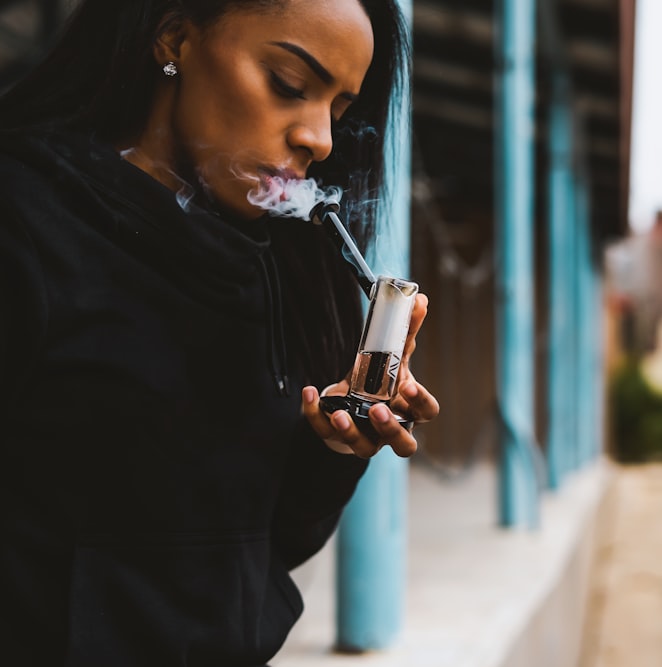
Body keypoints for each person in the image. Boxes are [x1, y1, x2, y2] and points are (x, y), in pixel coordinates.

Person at [0, 0, 438, 664]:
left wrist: (339, 445)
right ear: (174, 37)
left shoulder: (274, 268)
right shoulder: (26, 223)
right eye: (290, 85)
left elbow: (261, 545)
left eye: (339, 110)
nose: (319, 137)